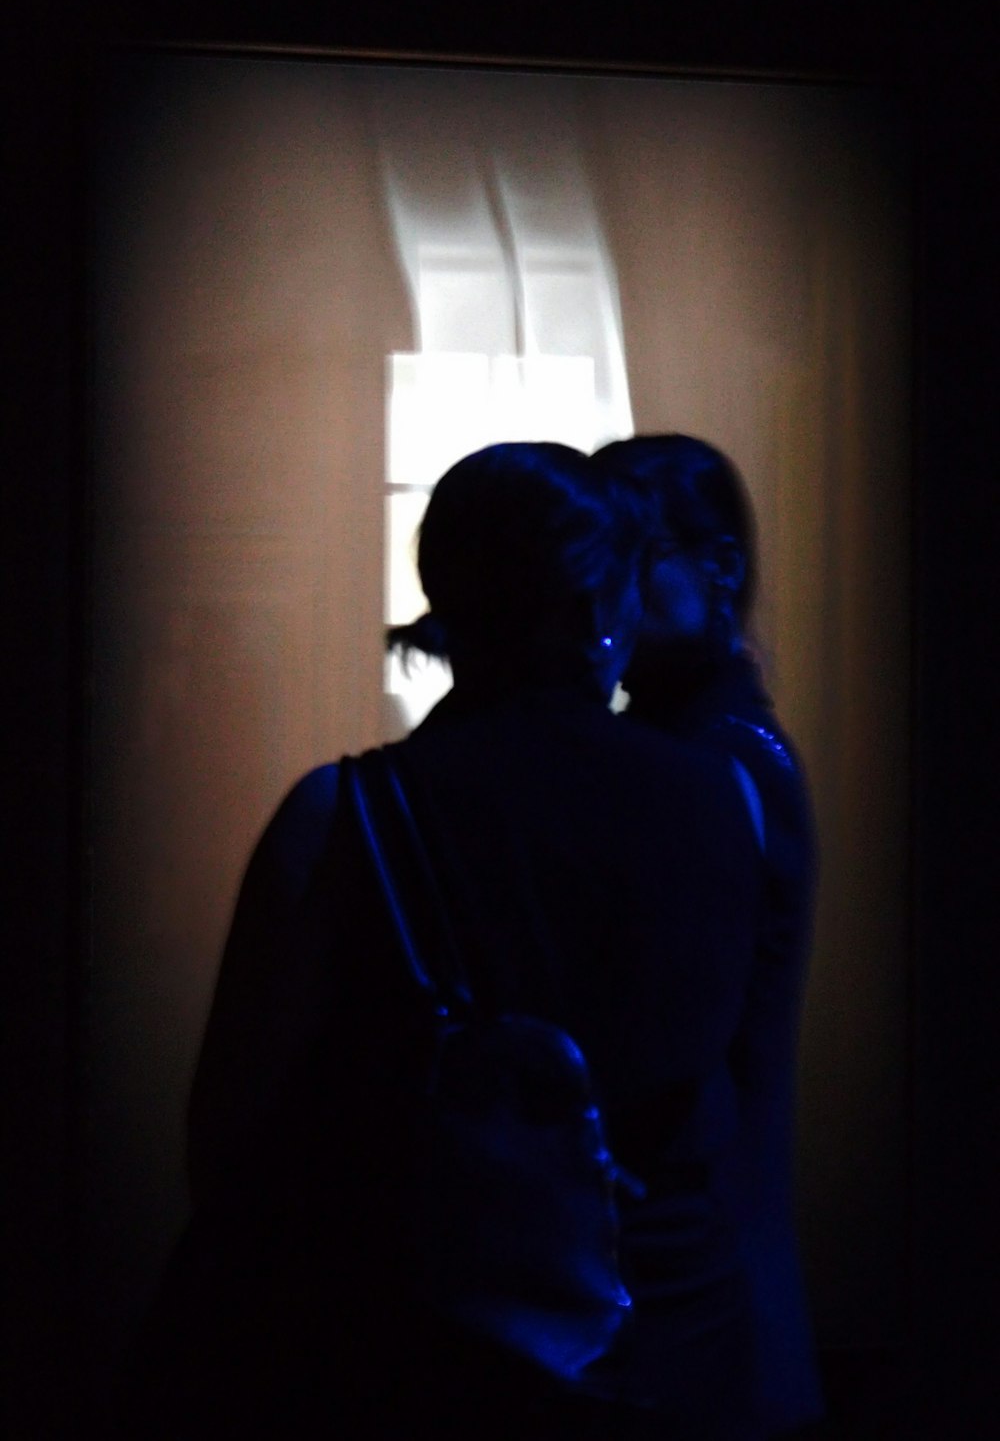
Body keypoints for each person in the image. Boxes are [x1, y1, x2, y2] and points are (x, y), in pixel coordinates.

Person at [135, 441, 767, 1439]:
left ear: (445, 591)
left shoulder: (343, 817)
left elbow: (231, 1132)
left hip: (419, 1360)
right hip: (675, 1347)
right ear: (604, 608)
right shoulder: (720, 800)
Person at [592, 433, 824, 1438]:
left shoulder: (714, 766)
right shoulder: (719, 752)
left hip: (696, 1274)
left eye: (633, 562)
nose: (602, 597)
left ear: (717, 568)